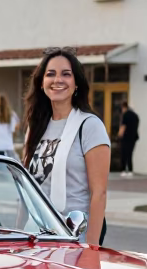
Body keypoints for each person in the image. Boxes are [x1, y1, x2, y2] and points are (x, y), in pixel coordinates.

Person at [22, 47, 110, 244]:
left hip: (74, 234)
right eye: (50, 74)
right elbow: (27, 189)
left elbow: (99, 193)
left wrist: (92, 248)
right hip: (36, 236)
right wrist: (18, 236)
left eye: (66, 74)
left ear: (76, 83)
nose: (57, 80)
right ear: (42, 83)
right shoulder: (35, 127)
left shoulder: (90, 126)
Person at [118, 99, 140, 176]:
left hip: (125, 138)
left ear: (123, 107)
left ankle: (123, 170)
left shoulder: (125, 115)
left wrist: (119, 135)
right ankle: (130, 170)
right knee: (130, 154)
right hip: (133, 138)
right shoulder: (135, 116)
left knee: (124, 154)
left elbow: (123, 127)